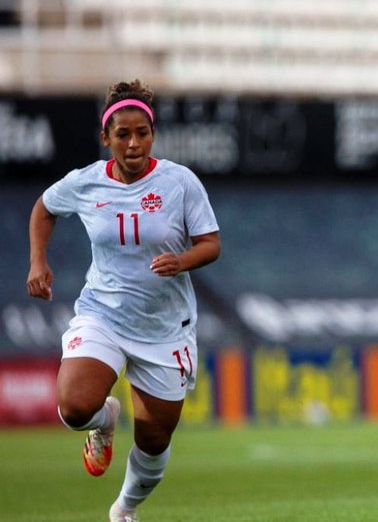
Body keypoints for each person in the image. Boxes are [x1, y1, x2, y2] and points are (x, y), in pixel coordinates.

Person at [27, 80, 221, 522]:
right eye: (123, 135)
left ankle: (124, 509)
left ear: (152, 134)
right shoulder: (86, 183)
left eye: (142, 134)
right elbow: (43, 208)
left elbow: (211, 244)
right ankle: (104, 421)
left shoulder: (179, 182)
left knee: (155, 440)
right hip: (104, 315)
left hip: (165, 327)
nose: (133, 144)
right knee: (75, 407)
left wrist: (182, 260)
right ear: (106, 138)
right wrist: (38, 262)